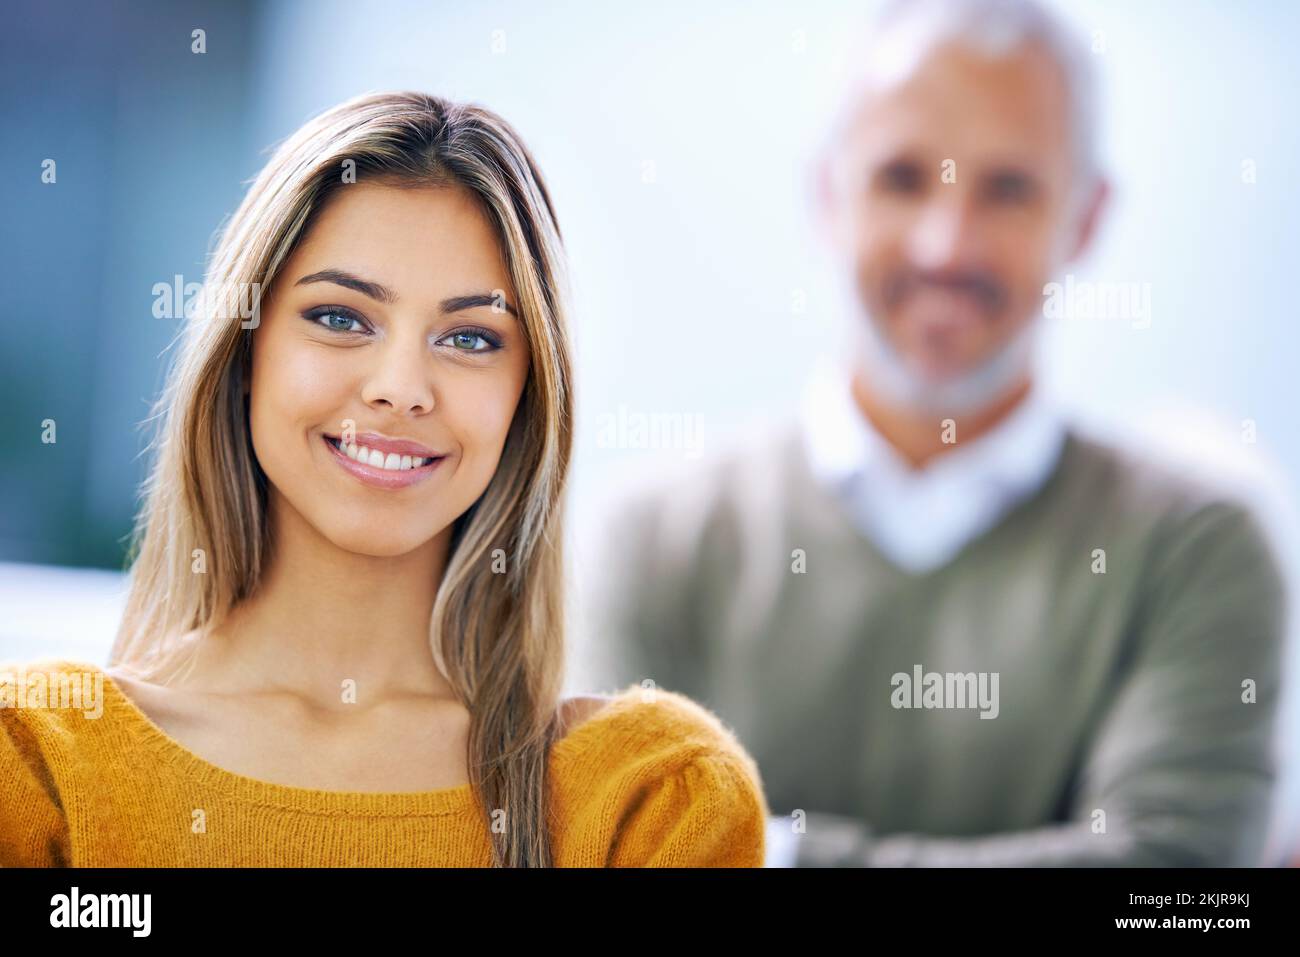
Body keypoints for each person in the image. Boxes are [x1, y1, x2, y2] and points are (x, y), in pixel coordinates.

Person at [578, 0, 1288, 866]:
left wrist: (766, 852)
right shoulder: (651, 543)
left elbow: (1175, 897)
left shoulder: (1197, 550)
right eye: (903, 178)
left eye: (1008, 188)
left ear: (1089, 217)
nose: (946, 244)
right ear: (828, 195)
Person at [0, 91, 767, 868]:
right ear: (244, 355)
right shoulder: (33, 764)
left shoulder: (655, 800)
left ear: (525, 400)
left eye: (469, 337)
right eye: (340, 317)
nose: (401, 387)